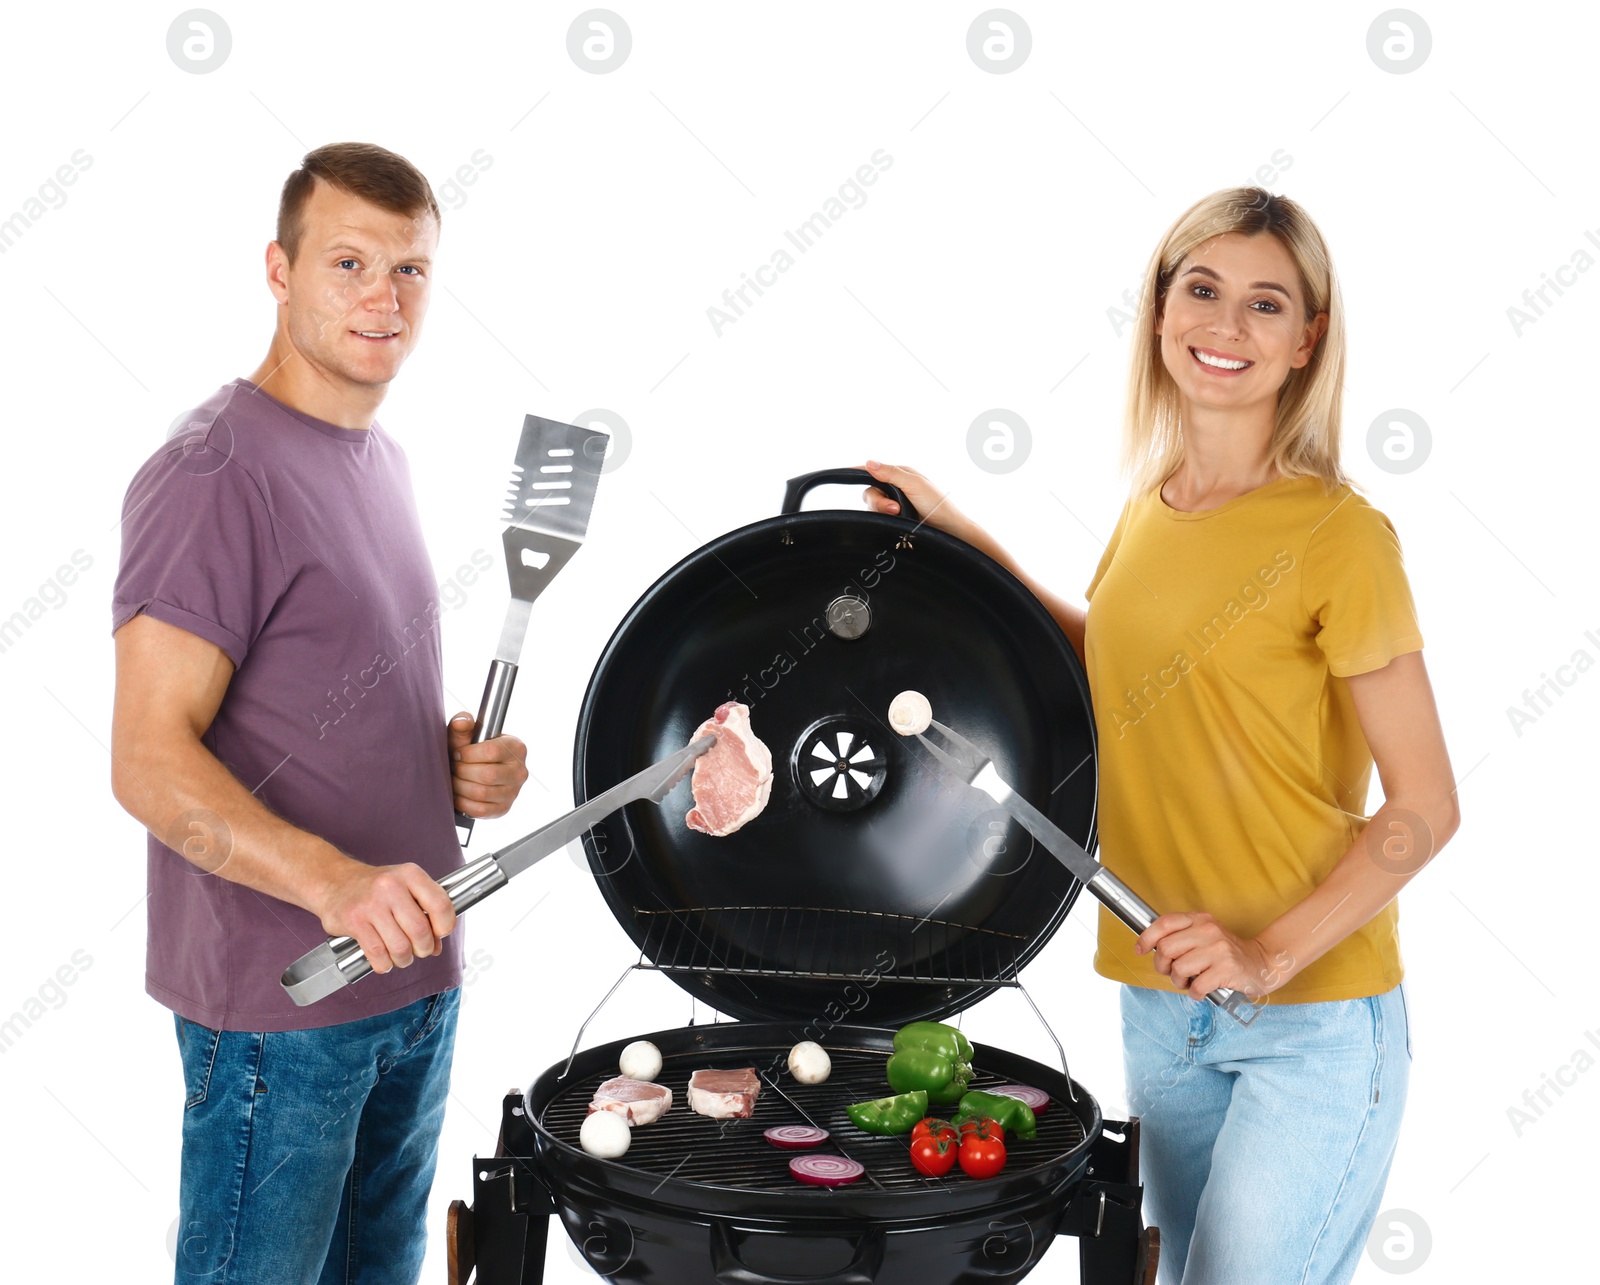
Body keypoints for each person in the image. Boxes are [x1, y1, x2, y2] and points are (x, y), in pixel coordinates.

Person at [863, 187, 1458, 1285]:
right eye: (1202, 290)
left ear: (1305, 340)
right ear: (1158, 309)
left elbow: (1426, 806)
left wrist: (1265, 956)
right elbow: (1119, 666)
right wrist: (961, 540)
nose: (1224, 327)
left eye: (1264, 304)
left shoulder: (1340, 537)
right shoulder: (1153, 506)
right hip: (1160, 1001)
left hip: (1311, 1018)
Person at [110, 142, 529, 1284]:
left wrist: (447, 770)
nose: (383, 298)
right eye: (348, 262)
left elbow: (317, 700)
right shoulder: (214, 474)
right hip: (280, 1020)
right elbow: (148, 761)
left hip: (413, 988)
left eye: (411, 270)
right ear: (278, 270)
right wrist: (337, 884)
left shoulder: (376, 454)